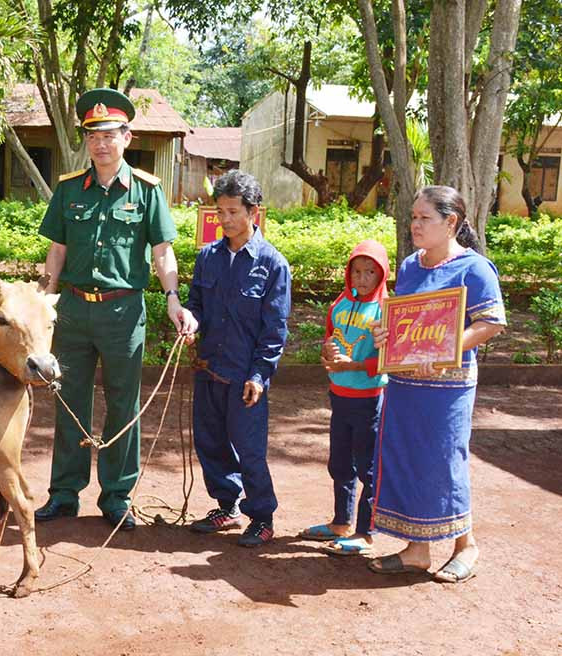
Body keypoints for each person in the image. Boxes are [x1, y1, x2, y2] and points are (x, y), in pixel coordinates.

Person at [35, 87, 197, 531]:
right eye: (93, 136)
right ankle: (64, 494)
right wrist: (45, 296)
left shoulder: (147, 192)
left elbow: (163, 252)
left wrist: (173, 300)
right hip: (72, 311)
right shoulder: (69, 190)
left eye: (109, 135)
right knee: (70, 401)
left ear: (127, 137)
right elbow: (57, 250)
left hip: (123, 314)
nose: (100, 144)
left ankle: (117, 497)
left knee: (124, 404)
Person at [368, 185, 506, 582]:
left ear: (451, 223)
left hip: (449, 389)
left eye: (424, 218)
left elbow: (491, 323)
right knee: (408, 461)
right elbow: (404, 320)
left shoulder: (475, 269)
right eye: (413, 217)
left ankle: (467, 546)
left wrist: (446, 350)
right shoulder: (411, 266)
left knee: (445, 463)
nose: (415, 225)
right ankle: (417, 550)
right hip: (406, 385)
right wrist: (385, 335)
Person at [184, 170, 291, 547]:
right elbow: (196, 304)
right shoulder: (207, 258)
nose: (225, 219)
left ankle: (261, 516)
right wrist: (189, 321)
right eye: (220, 211)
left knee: (249, 450)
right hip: (208, 369)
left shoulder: (273, 264)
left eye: (232, 211)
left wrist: (260, 376)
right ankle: (226, 506)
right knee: (209, 442)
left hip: (245, 377)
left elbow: (274, 331)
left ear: (253, 213)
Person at [300, 240, 390, 555]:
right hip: (339, 396)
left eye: (370, 272)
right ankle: (341, 523)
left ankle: (365, 534)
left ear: (382, 276)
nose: (362, 278)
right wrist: (327, 353)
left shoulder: (385, 310)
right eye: (356, 271)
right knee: (340, 463)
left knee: (367, 466)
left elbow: (388, 360)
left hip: (369, 400)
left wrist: (351, 365)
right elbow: (329, 342)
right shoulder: (339, 305)